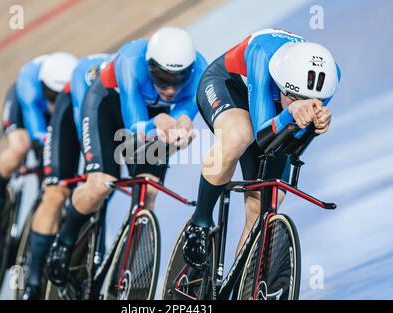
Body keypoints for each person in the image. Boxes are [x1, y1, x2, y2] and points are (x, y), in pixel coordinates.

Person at [46, 27, 208, 286]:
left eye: (178, 80)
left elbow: (186, 114)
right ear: (149, 65)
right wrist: (162, 122)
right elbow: (133, 127)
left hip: (153, 120)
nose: (169, 89)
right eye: (162, 78)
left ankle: (126, 269)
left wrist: (183, 128)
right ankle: (64, 240)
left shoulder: (200, 69)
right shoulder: (130, 60)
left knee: (149, 192)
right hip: (107, 108)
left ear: (189, 71)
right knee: (100, 184)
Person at [182, 28, 341, 269]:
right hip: (229, 86)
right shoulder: (262, 55)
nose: (303, 103)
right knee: (238, 136)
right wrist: (289, 113)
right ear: (282, 83)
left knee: (266, 202)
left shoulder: (329, 76)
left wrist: (314, 127)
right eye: (295, 96)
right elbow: (262, 137)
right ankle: (200, 222)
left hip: (273, 110)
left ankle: (241, 285)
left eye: (309, 101)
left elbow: (290, 147)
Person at [21, 54, 113, 299]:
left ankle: (89, 257)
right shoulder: (77, 86)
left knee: (101, 189)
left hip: (105, 112)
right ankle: (32, 283)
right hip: (75, 110)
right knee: (56, 192)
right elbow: (85, 127)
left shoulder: (126, 81)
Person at [0, 52, 78, 239]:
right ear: (44, 88)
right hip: (23, 105)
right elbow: (38, 135)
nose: (55, 102)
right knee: (19, 147)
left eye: (61, 97)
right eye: (51, 96)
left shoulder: (73, 84)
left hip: (53, 114)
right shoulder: (30, 87)